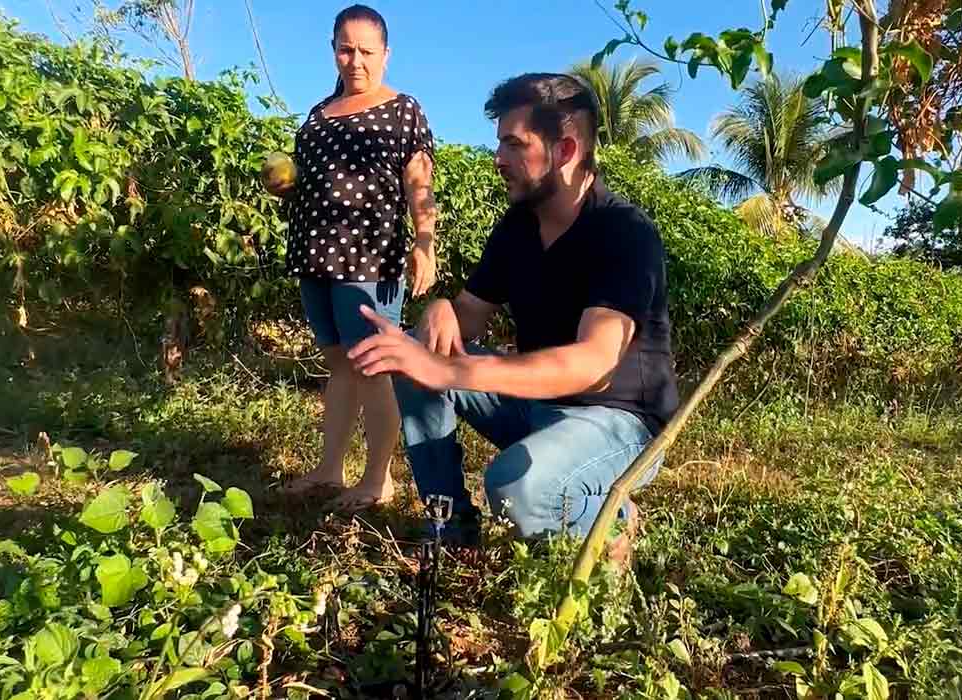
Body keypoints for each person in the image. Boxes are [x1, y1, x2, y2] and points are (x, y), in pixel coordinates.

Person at [348, 73, 678, 559]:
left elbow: (594, 365)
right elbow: (469, 316)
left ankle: (613, 518)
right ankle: (450, 525)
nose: (498, 158)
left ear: (564, 151)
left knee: (515, 488)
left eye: (513, 144)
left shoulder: (624, 232)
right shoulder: (518, 227)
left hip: (620, 422)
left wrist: (451, 368)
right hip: (537, 408)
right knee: (415, 359)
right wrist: (440, 310)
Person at [264, 5, 438, 511]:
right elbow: (312, 182)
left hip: (370, 258)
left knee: (373, 367)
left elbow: (418, 182)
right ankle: (329, 468)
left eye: (366, 50)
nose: (355, 60)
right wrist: (284, 186)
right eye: (345, 48)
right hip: (314, 254)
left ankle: (378, 478)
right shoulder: (317, 113)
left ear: (385, 53)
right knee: (338, 364)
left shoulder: (402, 109)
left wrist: (424, 241)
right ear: (333, 49)